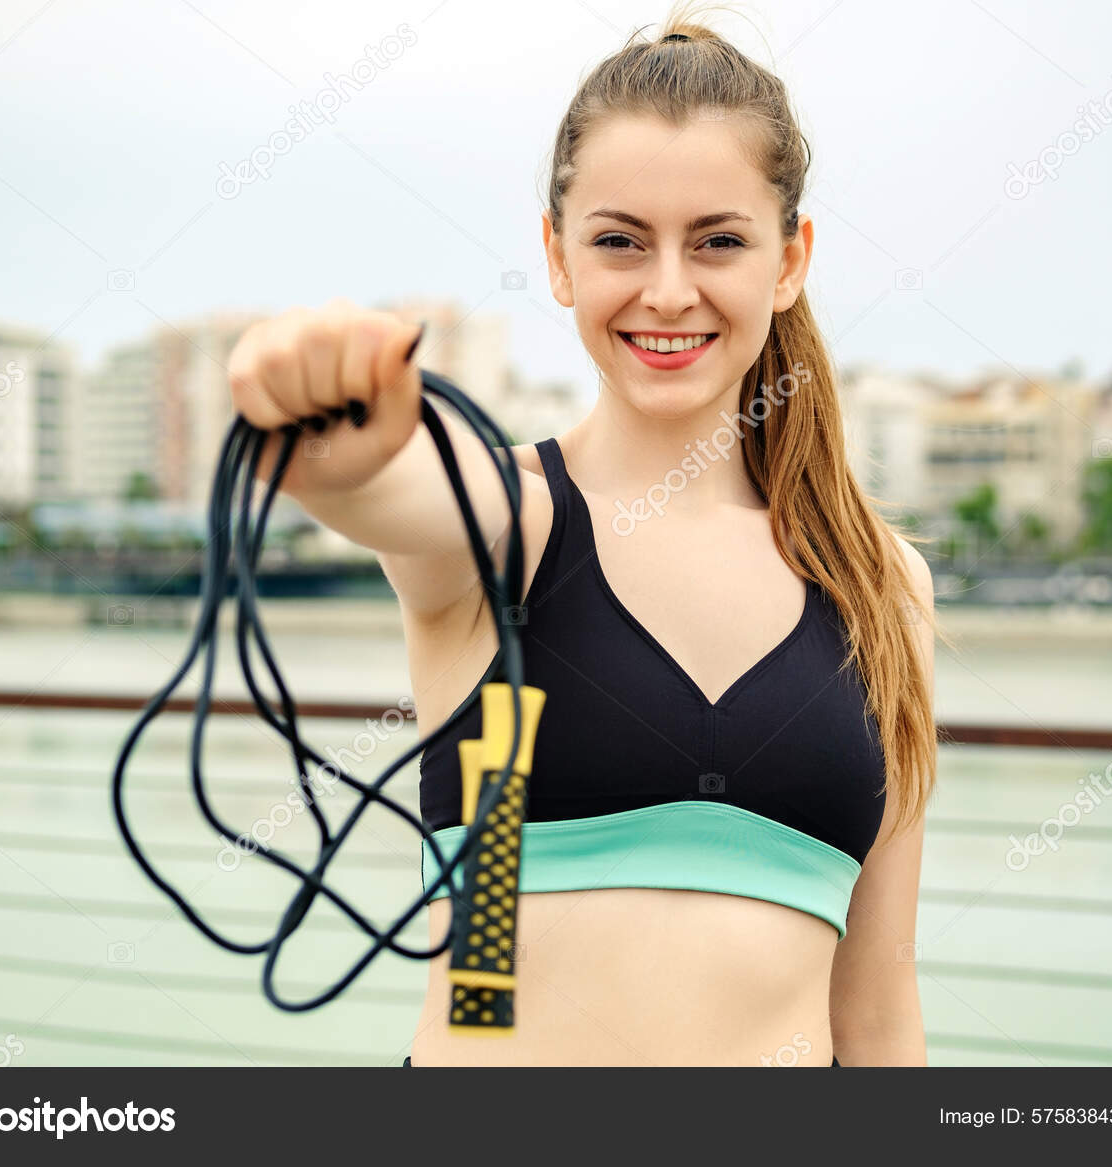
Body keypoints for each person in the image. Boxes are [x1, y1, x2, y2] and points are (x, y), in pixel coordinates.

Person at [226, 6, 936, 1067]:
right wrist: (322, 418)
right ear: (556, 259)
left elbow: (877, 1006)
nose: (665, 290)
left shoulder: (880, 582)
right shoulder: (507, 527)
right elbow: (382, 478)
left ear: (790, 262)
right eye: (617, 241)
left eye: (719, 242)